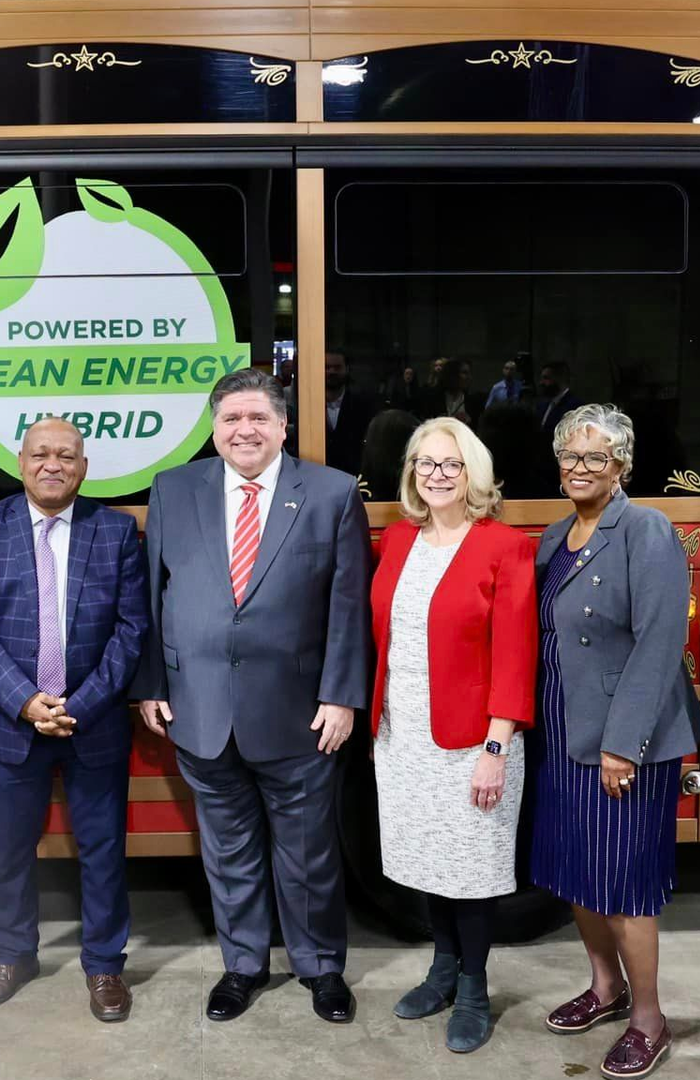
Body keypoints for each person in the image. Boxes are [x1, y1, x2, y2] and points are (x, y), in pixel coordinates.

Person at [132, 366, 372, 1025]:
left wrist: (342, 696)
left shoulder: (330, 492)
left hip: (300, 714)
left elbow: (349, 605)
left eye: (258, 417)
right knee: (227, 850)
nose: (245, 430)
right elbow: (151, 594)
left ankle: (320, 968)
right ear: (214, 428)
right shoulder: (174, 489)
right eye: (231, 418)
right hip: (199, 709)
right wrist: (151, 684)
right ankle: (242, 966)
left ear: (283, 426)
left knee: (308, 852)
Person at [0, 418, 150, 1023]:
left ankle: (105, 965)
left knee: (103, 851)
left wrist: (78, 705)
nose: (53, 465)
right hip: (11, 723)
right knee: (12, 851)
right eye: (41, 454)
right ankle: (13, 956)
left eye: (66, 455)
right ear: (21, 463)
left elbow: (131, 630)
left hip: (95, 721)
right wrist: (25, 700)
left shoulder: (115, 531)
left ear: (84, 468)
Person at [533, 403, 699, 1080]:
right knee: (579, 870)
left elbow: (660, 645)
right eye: (569, 456)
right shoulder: (555, 536)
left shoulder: (646, 530)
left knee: (625, 884)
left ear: (621, 465)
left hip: (624, 739)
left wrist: (623, 744)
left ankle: (649, 1019)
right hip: (562, 729)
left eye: (595, 457)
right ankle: (606, 988)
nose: (579, 468)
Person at [370, 417, 537, 1054]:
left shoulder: (504, 546)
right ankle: (442, 970)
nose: (436, 475)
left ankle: (473, 988)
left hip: (474, 740)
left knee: (472, 869)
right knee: (427, 861)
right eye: (425, 463)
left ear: (473, 474)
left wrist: (496, 749)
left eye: (451, 464)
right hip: (403, 733)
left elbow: (515, 657)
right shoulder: (397, 540)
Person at [323, 350, 378, 480]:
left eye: (337, 367)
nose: (331, 372)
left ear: (346, 369)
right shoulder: (308, 406)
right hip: (318, 476)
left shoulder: (363, 404)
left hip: (355, 477)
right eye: (327, 367)